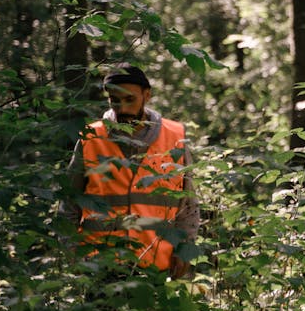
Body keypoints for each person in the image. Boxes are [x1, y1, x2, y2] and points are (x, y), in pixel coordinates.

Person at [61, 64, 200, 278]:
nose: (122, 108)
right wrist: (71, 252)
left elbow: (188, 203)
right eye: (115, 100)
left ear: (147, 95)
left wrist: (184, 248)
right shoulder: (91, 137)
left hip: (155, 262)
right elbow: (70, 201)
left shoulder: (174, 136)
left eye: (129, 100)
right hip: (98, 264)